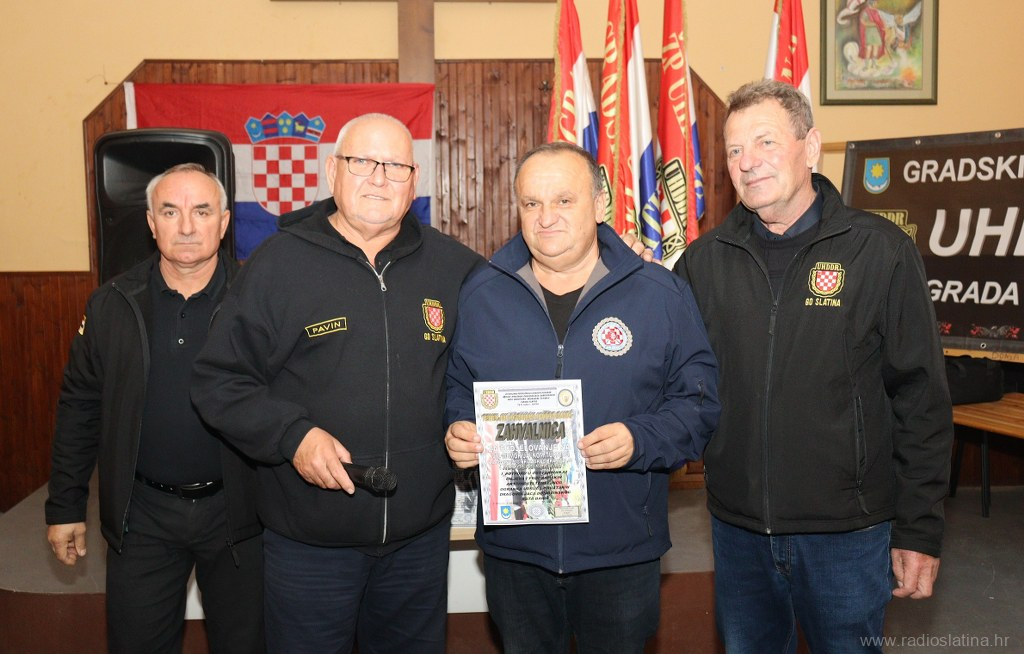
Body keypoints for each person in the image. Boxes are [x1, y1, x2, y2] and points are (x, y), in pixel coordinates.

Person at [674, 80, 953, 653]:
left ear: (812, 147)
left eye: (765, 142)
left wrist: (920, 528)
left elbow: (921, 399)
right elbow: (669, 376)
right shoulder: (703, 262)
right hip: (737, 531)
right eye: (734, 149)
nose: (747, 162)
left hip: (848, 535)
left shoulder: (880, 252)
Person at [190, 113, 485, 654]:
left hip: (418, 545)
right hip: (310, 546)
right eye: (362, 162)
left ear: (414, 181)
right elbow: (219, 380)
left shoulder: (455, 267)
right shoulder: (277, 265)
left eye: (395, 166)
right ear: (332, 172)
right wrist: (293, 436)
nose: (379, 178)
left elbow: (486, 359)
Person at [445, 141, 720, 653]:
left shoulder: (660, 294)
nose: (545, 217)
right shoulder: (482, 294)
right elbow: (459, 387)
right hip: (516, 553)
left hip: (620, 552)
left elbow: (699, 404)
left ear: (598, 204)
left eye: (564, 201)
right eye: (531, 203)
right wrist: (458, 427)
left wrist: (639, 439)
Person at [45, 163, 264, 653]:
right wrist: (65, 506)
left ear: (224, 222)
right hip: (142, 516)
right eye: (170, 211)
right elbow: (79, 407)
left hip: (239, 514)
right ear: (151, 223)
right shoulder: (112, 304)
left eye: (201, 211)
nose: (186, 226)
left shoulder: (260, 300)